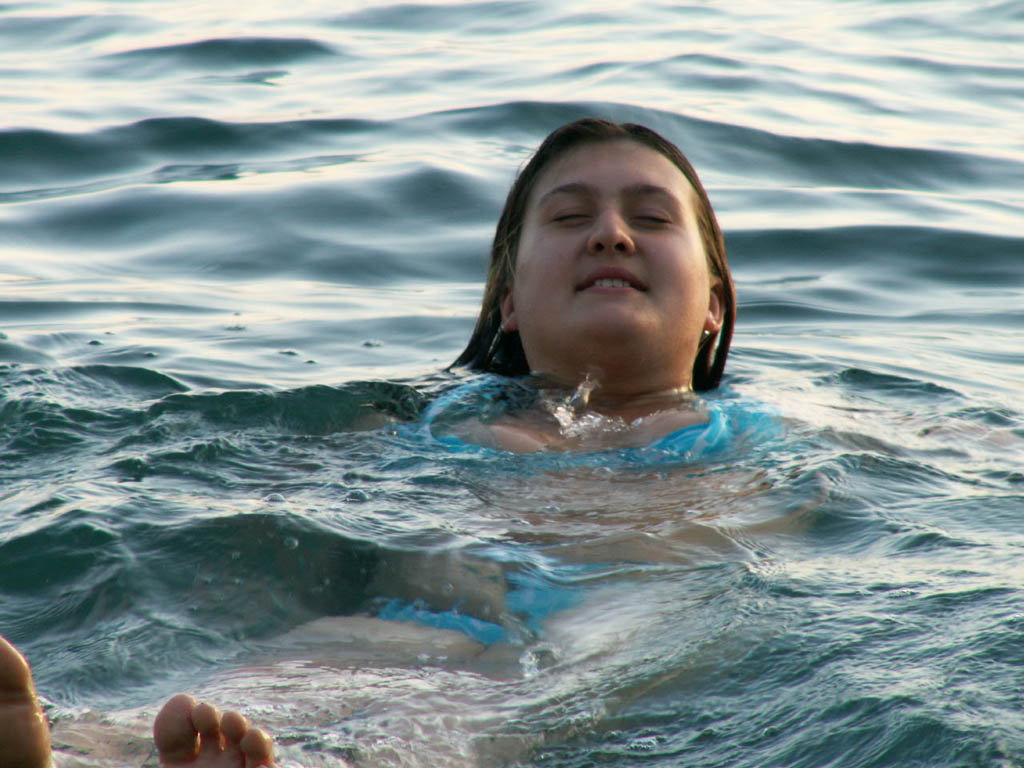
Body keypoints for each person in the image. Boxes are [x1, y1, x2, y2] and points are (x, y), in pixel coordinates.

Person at [0, 118, 738, 766]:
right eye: (571, 217)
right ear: (509, 300)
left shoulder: (754, 441)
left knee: (451, 716)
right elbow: (285, 533)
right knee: (259, 689)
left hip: (564, 655)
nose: (611, 234)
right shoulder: (413, 420)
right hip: (398, 628)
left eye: (651, 218)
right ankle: (78, 750)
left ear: (713, 302)